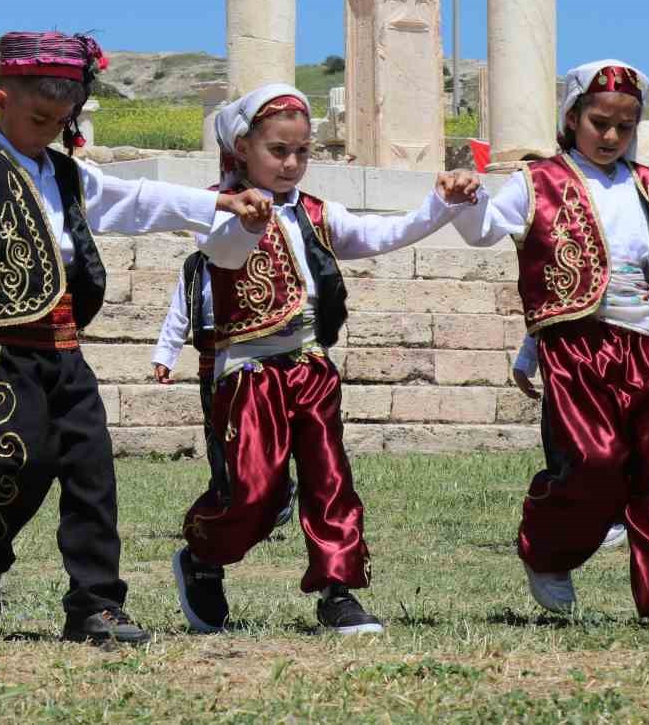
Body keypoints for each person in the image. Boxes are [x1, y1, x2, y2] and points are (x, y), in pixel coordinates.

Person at [0, 31, 272, 647]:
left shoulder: (69, 174)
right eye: (38, 118)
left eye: (60, 122)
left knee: (92, 471)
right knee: (23, 459)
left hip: (63, 344)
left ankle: (96, 605)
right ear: (1, 101)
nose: (48, 131)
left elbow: (139, 199)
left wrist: (219, 202)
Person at [454, 60, 649, 629]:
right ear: (572, 118)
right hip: (576, 345)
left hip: (647, 344)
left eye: (624, 127)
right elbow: (485, 229)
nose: (610, 136)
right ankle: (548, 552)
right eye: (599, 123)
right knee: (593, 460)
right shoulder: (536, 182)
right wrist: (464, 198)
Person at [171, 84, 480, 637]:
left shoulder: (315, 213)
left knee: (329, 478)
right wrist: (248, 222)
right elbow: (224, 253)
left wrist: (441, 206)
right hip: (248, 373)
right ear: (242, 148)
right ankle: (203, 556)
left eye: (302, 151)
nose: (291, 163)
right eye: (278, 150)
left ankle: (338, 589)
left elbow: (381, 233)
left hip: (311, 366)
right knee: (254, 493)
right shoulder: (216, 209)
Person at [151, 252, 297, 530]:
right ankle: (224, 498)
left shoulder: (255, 256)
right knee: (216, 432)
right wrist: (165, 356)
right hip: (211, 360)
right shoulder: (194, 266)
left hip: (250, 358)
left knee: (254, 431)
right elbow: (179, 312)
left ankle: (276, 491)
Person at [512, 337, 627, 551]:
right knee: (561, 457)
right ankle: (570, 518)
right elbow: (543, 321)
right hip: (559, 386)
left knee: (600, 451)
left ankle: (608, 519)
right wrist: (524, 362)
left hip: (601, 379)